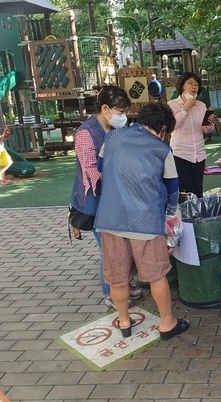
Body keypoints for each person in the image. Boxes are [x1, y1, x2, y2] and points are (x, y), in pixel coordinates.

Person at [94, 103, 189, 340]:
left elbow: (100, 167)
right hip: (145, 222)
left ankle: (124, 321)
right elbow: (172, 189)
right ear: (164, 127)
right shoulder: (162, 149)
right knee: (156, 275)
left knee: (118, 276)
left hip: (110, 219)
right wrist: (170, 213)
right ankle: (167, 323)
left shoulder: (113, 137)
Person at [68, 85, 142, 309]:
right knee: (109, 248)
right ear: (105, 108)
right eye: (120, 112)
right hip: (99, 199)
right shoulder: (85, 133)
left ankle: (124, 283)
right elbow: (91, 170)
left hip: (118, 196)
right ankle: (110, 292)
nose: (123, 117)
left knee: (124, 243)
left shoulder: (116, 129)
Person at [167, 72, 215, 199]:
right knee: (186, 191)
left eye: (196, 84)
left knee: (198, 191)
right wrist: (185, 109)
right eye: (190, 83)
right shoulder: (172, 104)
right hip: (180, 154)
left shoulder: (201, 106)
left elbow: (205, 130)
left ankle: (198, 217)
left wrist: (209, 123)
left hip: (198, 154)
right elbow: (172, 126)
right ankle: (187, 218)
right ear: (182, 86)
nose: (194, 86)